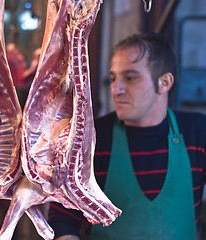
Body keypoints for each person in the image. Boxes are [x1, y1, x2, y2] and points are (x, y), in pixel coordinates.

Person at [48, 32, 206, 240]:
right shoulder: (93, 138)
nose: (116, 89)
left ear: (165, 82)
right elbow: (63, 216)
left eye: (131, 78)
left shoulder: (197, 132)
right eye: (114, 78)